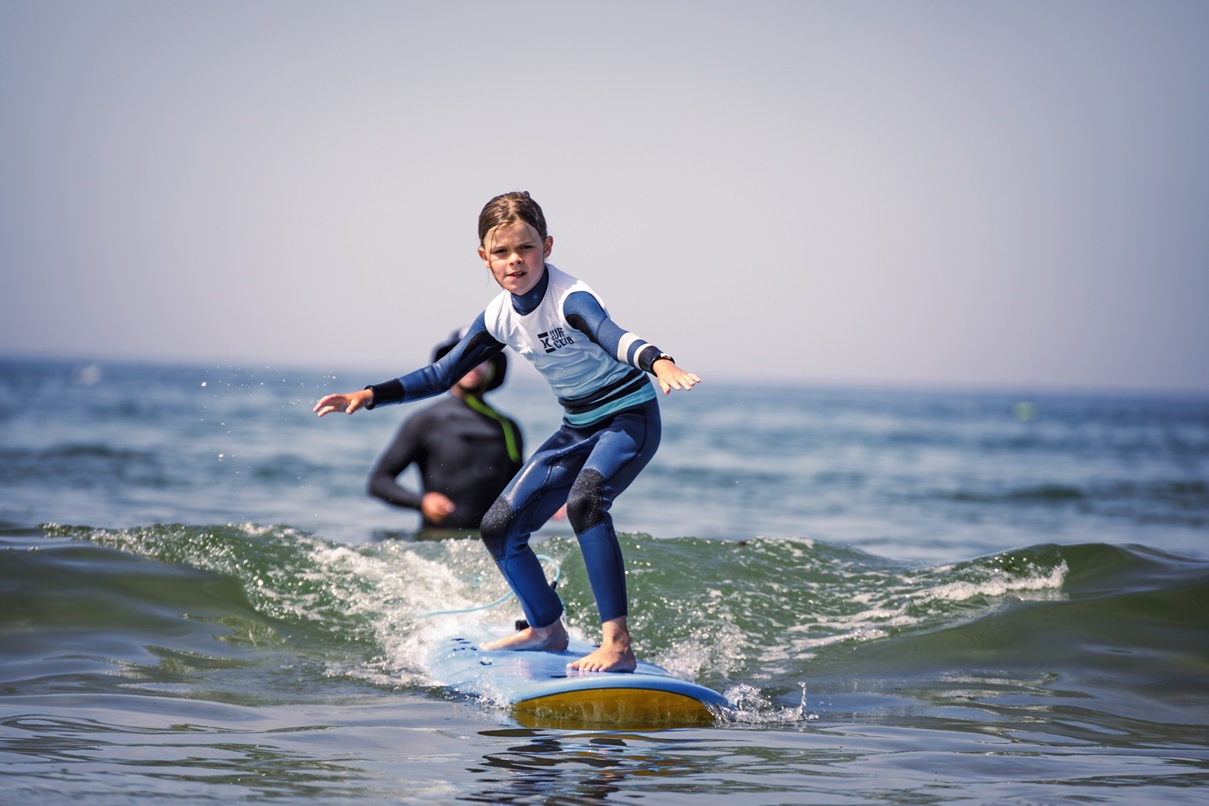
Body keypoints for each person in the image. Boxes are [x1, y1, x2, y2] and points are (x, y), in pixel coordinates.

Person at [314, 191, 700, 672]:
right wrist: (369, 395)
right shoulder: (499, 316)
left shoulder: (571, 299)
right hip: (578, 425)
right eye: (501, 252)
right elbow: (440, 374)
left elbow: (613, 335)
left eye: (526, 248)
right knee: (499, 528)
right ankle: (546, 629)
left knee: (585, 503)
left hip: (628, 417)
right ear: (484, 258)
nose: (514, 260)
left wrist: (657, 361)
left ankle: (617, 644)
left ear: (548, 246)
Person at [367, 329, 523, 534]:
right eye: (463, 357)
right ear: (448, 366)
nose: (472, 365)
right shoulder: (426, 420)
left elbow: (520, 488)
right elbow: (379, 481)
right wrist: (421, 502)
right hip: (437, 548)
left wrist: (554, 499)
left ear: (492, 367)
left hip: (493, 548)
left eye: (481, 358)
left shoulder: (507, 427)